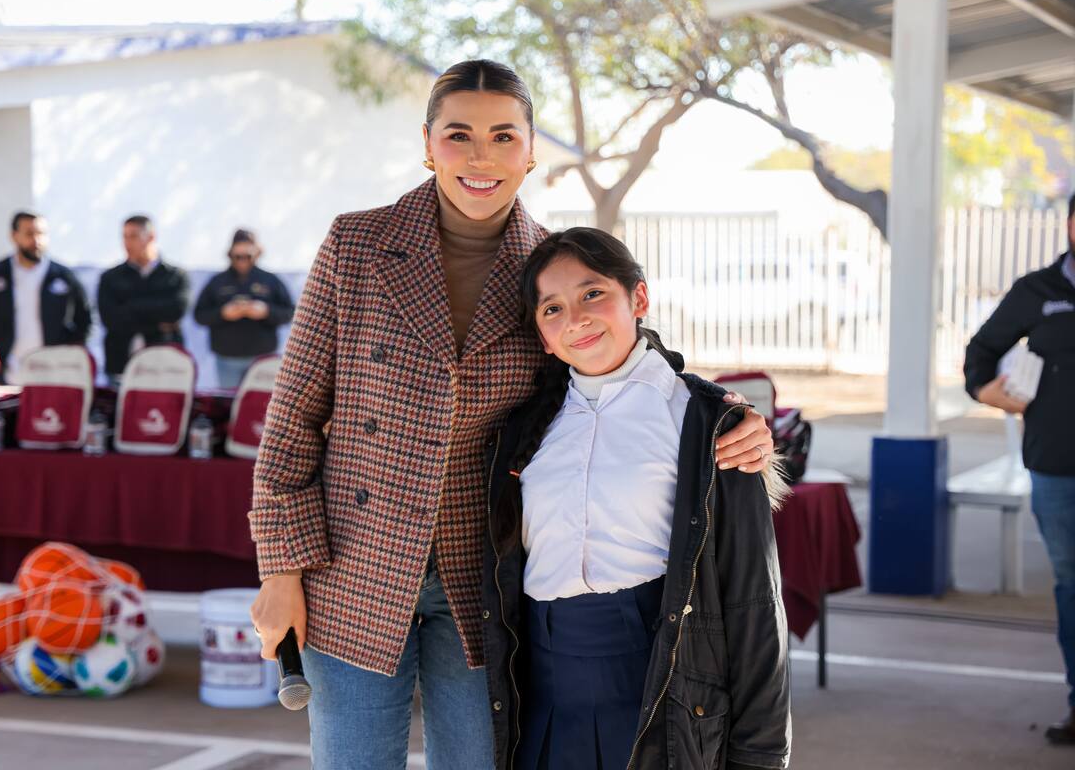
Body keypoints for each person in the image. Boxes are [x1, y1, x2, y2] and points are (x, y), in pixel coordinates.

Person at [247, 59, 776, 770]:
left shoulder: (544, 272)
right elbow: (291, 422)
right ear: (427, 143)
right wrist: (281, 571)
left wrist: (727, 413)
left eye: (503, 136)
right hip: (352, 571)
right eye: (459, 135)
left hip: (484, 588)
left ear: (530, 152)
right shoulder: (357, 245)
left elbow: (612, 352)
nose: (481, 156)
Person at [482, 227, 792, 770]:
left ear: (639, 298)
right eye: (551, 308)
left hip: (661, 695)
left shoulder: (709, 422)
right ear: (542, 335)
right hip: (545, 701)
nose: (574, 318)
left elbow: (754, 601)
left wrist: (761, 756)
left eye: (592, 293)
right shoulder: (525, 429)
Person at [964, 191, 1075, 746]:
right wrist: (999, 397)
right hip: (1057, 469)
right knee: (1072, 585)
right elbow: (978, 356)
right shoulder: (1038, 291)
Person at [0, 210, 92, 383]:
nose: (36, 240)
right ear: (14, 236)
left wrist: (67, 352)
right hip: (5, 374)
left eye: (41, 234)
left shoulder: (63, 276)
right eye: (29, 234)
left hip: (52, 373)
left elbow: (87, 318)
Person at [193, 229, 295, 388]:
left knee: (261, 407)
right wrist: (223, 313)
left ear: (257, 253)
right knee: (229, 406)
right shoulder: (217, 281)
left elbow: (290, 313)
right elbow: (199, 315)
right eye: (238, 256)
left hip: (263, 359)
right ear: (230, 253)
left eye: (247, 256)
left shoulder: (271, 280)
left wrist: (266, 311)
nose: (242, 261)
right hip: (227, 359)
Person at [97, 215, 190, 379]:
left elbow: (176, 310)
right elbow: (110, 319)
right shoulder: (111, 278)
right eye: (124, 237)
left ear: (151, 237)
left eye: (133, 236)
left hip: (165, 367)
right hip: (120, 366)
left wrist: (130, 307)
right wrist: (157, 320)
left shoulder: (175, 276)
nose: (127, 243)